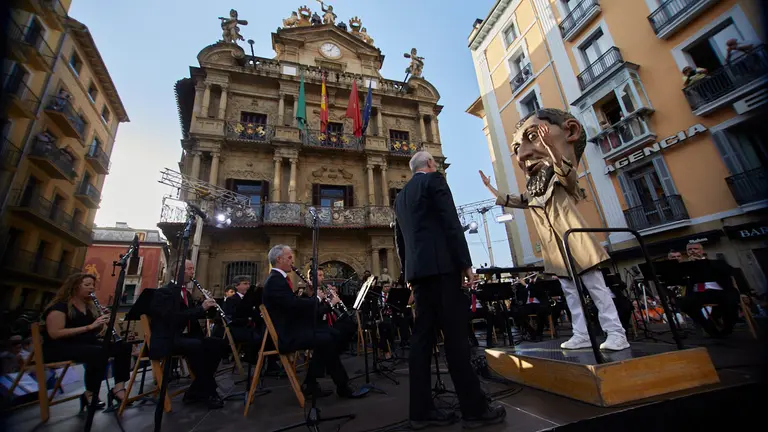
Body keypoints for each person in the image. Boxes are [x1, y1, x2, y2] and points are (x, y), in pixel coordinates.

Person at [480, 109, 629, 351]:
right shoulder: (535, 191)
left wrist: (550, 147)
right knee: (570, 293)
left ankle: (616, 332)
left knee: (596, 288)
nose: (523, 154)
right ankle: (581, 333)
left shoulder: (561, 177)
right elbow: (513, 199)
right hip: (555, 248)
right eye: (517, 148)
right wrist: (490, 188)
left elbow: (566, 173)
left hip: (575, 240)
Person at [395, 151, 506, 429]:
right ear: (430, 165)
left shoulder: (400, 197)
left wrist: (408, 275)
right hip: (443, 270)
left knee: (421, 341)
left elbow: (399, 241)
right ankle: (474, 409)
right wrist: (465, 264)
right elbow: (450, 222)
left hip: (418, 274)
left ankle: (420, 412)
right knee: (456, 339)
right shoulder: (436, 181)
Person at [262, 245, 365, 399]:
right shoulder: (275, 280)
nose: (292, 260)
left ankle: (313, 383)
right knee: (329, 339)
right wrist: (317, 299)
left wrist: (322, 304)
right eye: (289, 257)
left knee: (333, 335)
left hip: (294, 328)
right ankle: (340, 386)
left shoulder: (278, 279)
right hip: (287, 334)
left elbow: (292, 306)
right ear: (279, 259)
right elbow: (293, 305)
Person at [42, 273, 133, 411]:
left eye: (92, 285)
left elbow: (95, 331)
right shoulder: (60, 307)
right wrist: (89, 327)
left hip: (86, 343)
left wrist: (102, 322)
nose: (91, 288)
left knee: (124, 347)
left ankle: (118, 389)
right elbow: (55, 333)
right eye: (87, 285)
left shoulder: (89, 306)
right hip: (61, 347)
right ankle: (90, 394)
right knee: (97, 352)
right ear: (74, 287)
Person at [149, 259, 226, 409]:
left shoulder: (187, 294)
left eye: (192, 269)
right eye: (189, 269)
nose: (193, 272)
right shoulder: (164, 292)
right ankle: (207, 391)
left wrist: (207, 305)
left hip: (187, 337)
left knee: (218, 343)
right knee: (196, 345)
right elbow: (173, 318)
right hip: (169, 338)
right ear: (178, 271)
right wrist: (200, 308)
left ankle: (196, 391)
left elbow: (194, 315)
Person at [676, 242, 740, 337]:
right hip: (699, 293)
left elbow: (730, 271)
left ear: (702, 251)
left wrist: (703, 264)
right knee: (685, 303)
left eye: (695, 249)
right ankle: (709, 328)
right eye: (690, 249)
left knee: (730, 300)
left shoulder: (715, 262)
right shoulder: (685, 267)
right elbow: (680, 281)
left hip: (719, 291)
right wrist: (688, 267)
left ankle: (728, 328)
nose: (693, 251)